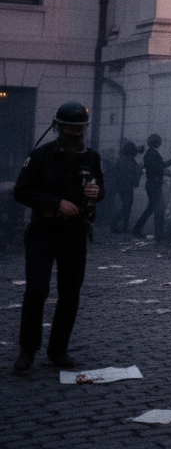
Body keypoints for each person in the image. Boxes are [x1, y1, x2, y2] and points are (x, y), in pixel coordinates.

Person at [12, 102, 103, 373]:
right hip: (44, 229)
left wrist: (96, 193)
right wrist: (55, 203)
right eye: (70, 128)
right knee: (37, 289)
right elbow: (21, 191)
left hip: (74, 231)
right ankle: (27, 350)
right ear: (59, 127)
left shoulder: (92, 158)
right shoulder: (41, 156)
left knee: (70, 292)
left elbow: (101, 191)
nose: (76, 133)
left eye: (80, 128)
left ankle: (58, 350)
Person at [132, 133, 171, 241]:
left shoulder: (149, 153)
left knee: (151, 208)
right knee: (159, 209)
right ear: (157, 143)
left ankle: (137, 229)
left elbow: (154, 168)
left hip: (151, 184)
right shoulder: (153, 154)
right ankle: (159, 234)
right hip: (155, 184)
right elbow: (160, 166)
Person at [108, 140, 141, 233]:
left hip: (120, 186)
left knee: (126, 206)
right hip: (127, 186)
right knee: (127, 206)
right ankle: (117, 224)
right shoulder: (130, 160)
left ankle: (123, 226)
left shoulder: (120, 159)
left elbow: (117, 173)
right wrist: (139, 172)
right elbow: (132, 174)